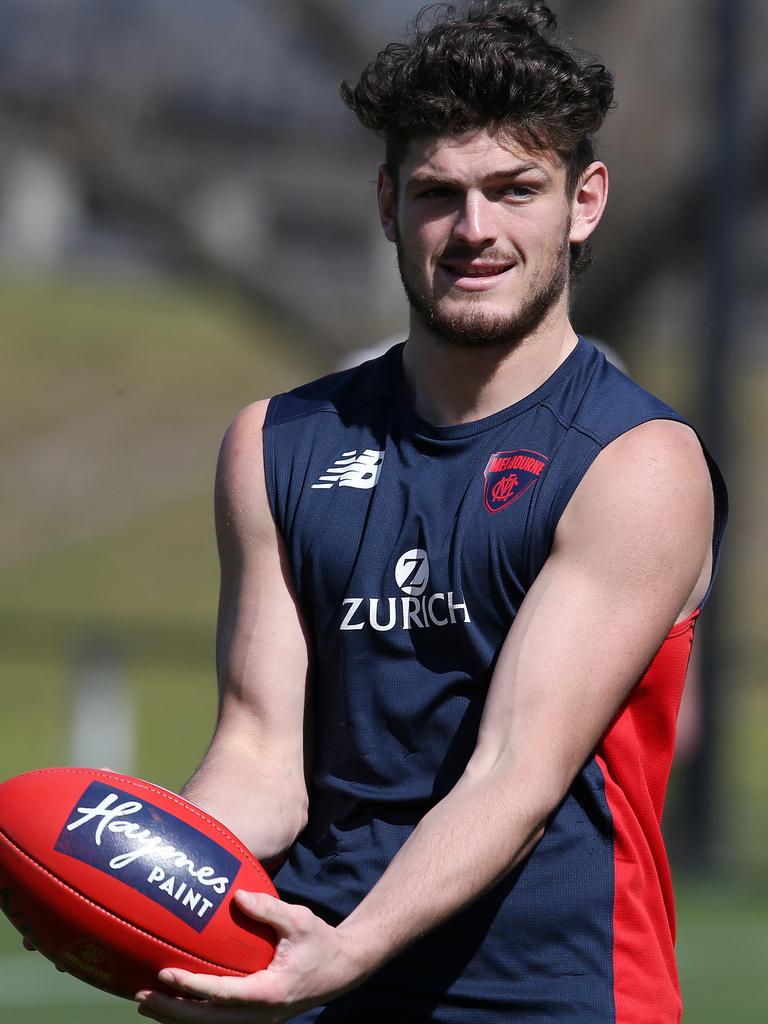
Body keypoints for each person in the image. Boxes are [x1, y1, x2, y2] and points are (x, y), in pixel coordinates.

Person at [136, 3, 727, 1022]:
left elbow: (516, 769)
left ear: (584, 202)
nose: (475, 230)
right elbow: (259, 757)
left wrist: (348, 948)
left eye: (515, 190)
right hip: (311, 977)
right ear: (385, 203)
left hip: (555, 996)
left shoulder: (640, 464)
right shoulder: (276, 444)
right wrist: (139, 886)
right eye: (437, 193)